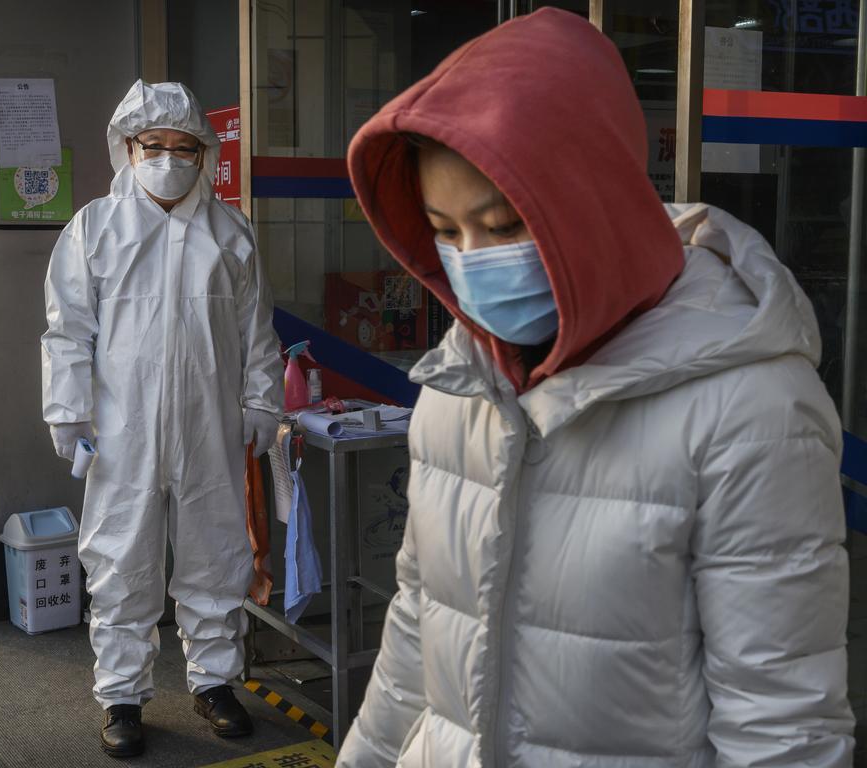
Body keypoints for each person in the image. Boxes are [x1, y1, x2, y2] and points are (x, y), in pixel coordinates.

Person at [337, 9, 854, 767]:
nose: (472, 261)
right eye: (446, 232)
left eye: (505, 225)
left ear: (595, 204)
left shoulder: (752, 410)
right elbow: (420, 628)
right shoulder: (460, 382)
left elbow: (780, 722)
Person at [41, 79, 283, 758]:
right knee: (122, 562)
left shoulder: (230, 232)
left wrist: (264, 399)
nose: (170, 158)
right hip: (124, 433)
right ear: (129, 147)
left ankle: (214, 682)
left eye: (185, 147)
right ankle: (121, 696)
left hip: (209, 428)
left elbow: (256, 331)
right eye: (156, 145)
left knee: (216, 558)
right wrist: (68, 410)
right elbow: (67, 332)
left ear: (203, 154)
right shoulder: (95, 227)